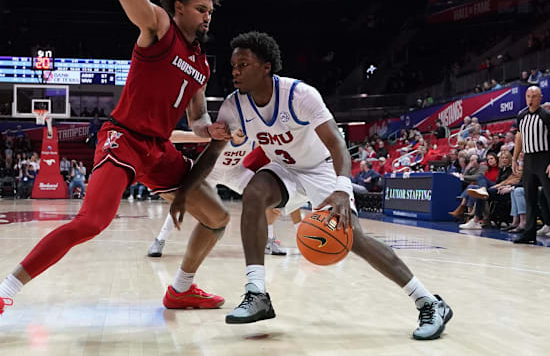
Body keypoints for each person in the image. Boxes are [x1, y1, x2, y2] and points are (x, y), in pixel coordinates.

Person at [0, 0, 231, 340]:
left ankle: (181, 289)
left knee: (217, 216)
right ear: (179, 7)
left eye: (211, 12)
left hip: (159, 151)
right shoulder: (159, 26)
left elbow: (197, 122)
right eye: (201, 9)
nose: (207, 17)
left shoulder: (201, 64)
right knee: (91, 223)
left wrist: (214, 130)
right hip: (124, 139)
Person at [170, 32, 451, 340]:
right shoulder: (234, 106)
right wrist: (184, 192)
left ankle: (429, 302)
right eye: (233, 65)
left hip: (322, 169)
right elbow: (212, 154)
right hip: (286, 170)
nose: (235, 71)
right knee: (254, 192)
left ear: (265, 67)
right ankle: (256, 292)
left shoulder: (300, 95)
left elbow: (337, 145)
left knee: (354, 238)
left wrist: (342, 188)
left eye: (243, 64)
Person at [148, 129, 298, 257]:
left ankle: (269, 242)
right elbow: (180, 135)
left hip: (235, 173)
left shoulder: (253, 138)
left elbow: (278, 144)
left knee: (267, 196)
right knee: (183, 201)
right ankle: (159, 240)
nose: (240, 129)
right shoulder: (219, 135)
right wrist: (161, 136)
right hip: (210, 173)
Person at [512, 86, 550, 247]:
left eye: (534, 96)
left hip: (544, 158)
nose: (530, 99)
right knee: (529, 199)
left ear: (540, 98)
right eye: (528, 96)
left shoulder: (547, 115)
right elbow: (519, 137)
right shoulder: (522, 116)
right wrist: (515, 158)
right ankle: (529, 233)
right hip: (529, 160)